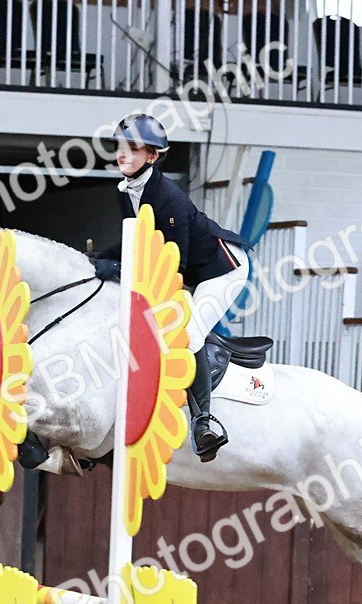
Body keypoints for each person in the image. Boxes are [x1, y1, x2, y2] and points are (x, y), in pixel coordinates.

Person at [92, 113, 250, 463]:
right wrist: (97, 258)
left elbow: (174, 263)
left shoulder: (170, 198)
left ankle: (204, 422)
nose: (123, 154)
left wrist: (119, 268)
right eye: (120, 147)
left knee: (188, 335)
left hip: (221, 270)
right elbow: (135, 239)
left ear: (152, 156)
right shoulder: (126, 191)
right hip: (193, 267)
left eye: (133, 149)